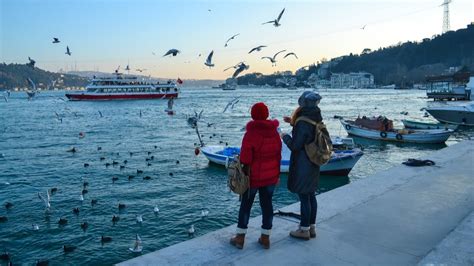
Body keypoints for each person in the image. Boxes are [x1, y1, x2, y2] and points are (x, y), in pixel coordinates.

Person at [230, 102, 282, 250]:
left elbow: (246, 159)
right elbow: (278, 155)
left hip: (252, 178)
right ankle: (265, 238)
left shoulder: (251, 134)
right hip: (270, 177)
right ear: (266, 114)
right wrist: (277, 175)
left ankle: (240, 238)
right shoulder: (275, 132)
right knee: (267, 206)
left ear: (253, 115)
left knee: (246, 206)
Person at [281, 91, 323, 240]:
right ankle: (311, 228)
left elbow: (295, 146)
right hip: (313, 161)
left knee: (304, 196)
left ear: (303, 103)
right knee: (311, 194)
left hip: (302, 163)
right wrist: (292, 122)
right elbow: (307, 133)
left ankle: (303, 230)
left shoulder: (303, 122)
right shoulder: (316, 116)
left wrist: (285, 136)